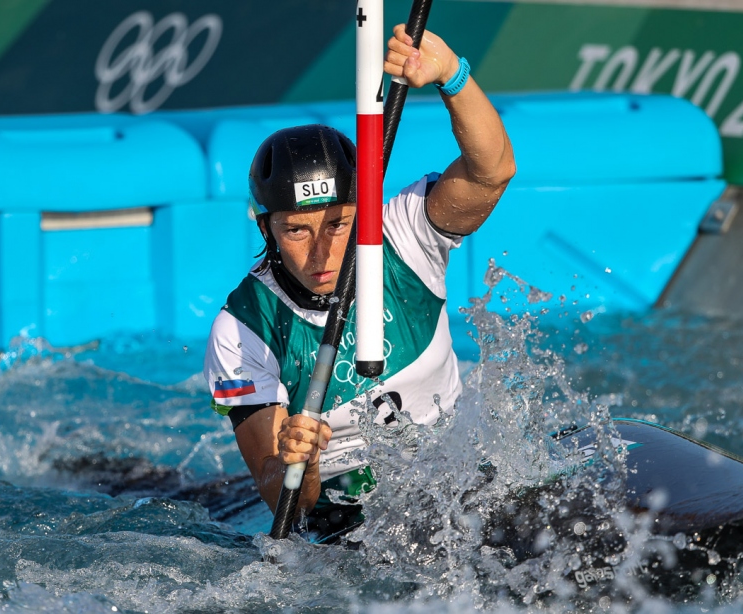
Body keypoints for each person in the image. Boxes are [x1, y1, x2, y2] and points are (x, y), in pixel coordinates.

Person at [204, 25, 515, 540]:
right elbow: (288, 504)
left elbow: (492, 173)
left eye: (339, 224)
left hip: (456, 479)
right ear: (266, 228)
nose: (321, 250)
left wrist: (453, 76)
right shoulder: (243, 328)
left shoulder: (405, 236)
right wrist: (291, 461)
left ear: (364, 209)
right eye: (296, 230)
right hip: (340, 522)